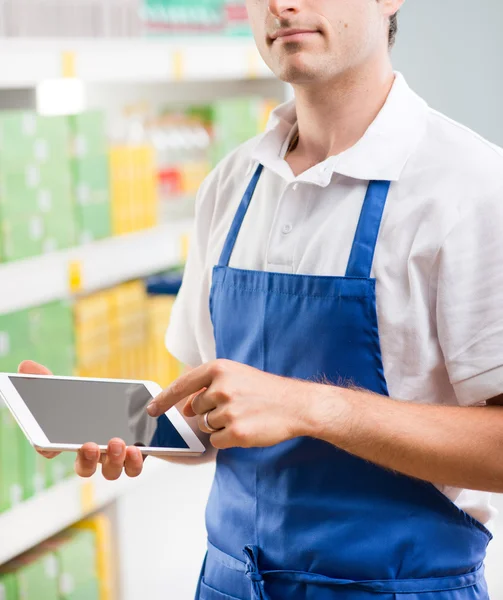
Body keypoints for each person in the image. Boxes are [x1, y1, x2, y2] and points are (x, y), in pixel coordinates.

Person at [21, 0, 503, 598]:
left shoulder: (470, 188)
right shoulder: (232, 184)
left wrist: (309, 408)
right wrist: (124, 424)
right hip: (231, 584)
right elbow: (214, 417)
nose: (281, 5)